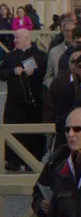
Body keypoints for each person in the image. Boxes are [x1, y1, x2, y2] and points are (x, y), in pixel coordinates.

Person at [0, 29, 47, 170]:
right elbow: (1, 73)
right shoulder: (10, 56)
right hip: (14, 102)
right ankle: (13, 160)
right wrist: (12, 71)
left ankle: (32, 160)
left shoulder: (40, 55)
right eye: (14, 38)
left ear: (27, 38)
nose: (15, 40)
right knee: (13, 131)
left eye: (17, 38)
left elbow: (46, 71)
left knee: (32, 132)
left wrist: (35, 72)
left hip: (33, 102)